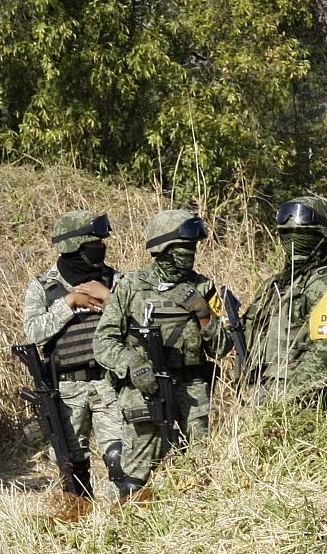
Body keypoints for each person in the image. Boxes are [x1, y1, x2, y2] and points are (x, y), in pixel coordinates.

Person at [92, 209, 228, 502]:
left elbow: (223, 347)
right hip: (145, 391)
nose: (190, 254)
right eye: (183, 248)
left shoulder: (204, 287)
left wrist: (204, 315)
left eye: (192, 248)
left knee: (199, 470)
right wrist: (132, 364)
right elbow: (104, 341)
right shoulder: (130, 286)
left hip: (193, 391)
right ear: (162, 248)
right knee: (136, 474)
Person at [21, 210, 125, 518]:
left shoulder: (114, 281)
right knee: (70, 464)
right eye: (93, 243)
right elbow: (34, 333)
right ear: (74, 246)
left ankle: (125, 522)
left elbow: (134, 323)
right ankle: (78, 527)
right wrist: (69, 304)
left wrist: (108, 300)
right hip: (66, 388)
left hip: (109, 383)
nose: (101, 248)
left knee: (119, 457)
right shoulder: (44, 287)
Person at [242, 196, 327, 405]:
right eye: (287, 234)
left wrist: (285, 401)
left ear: (322, 235)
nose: (293, 241)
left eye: (303, 235)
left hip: (305, 404)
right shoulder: (277, 285)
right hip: (264, 395)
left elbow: (325, 352)